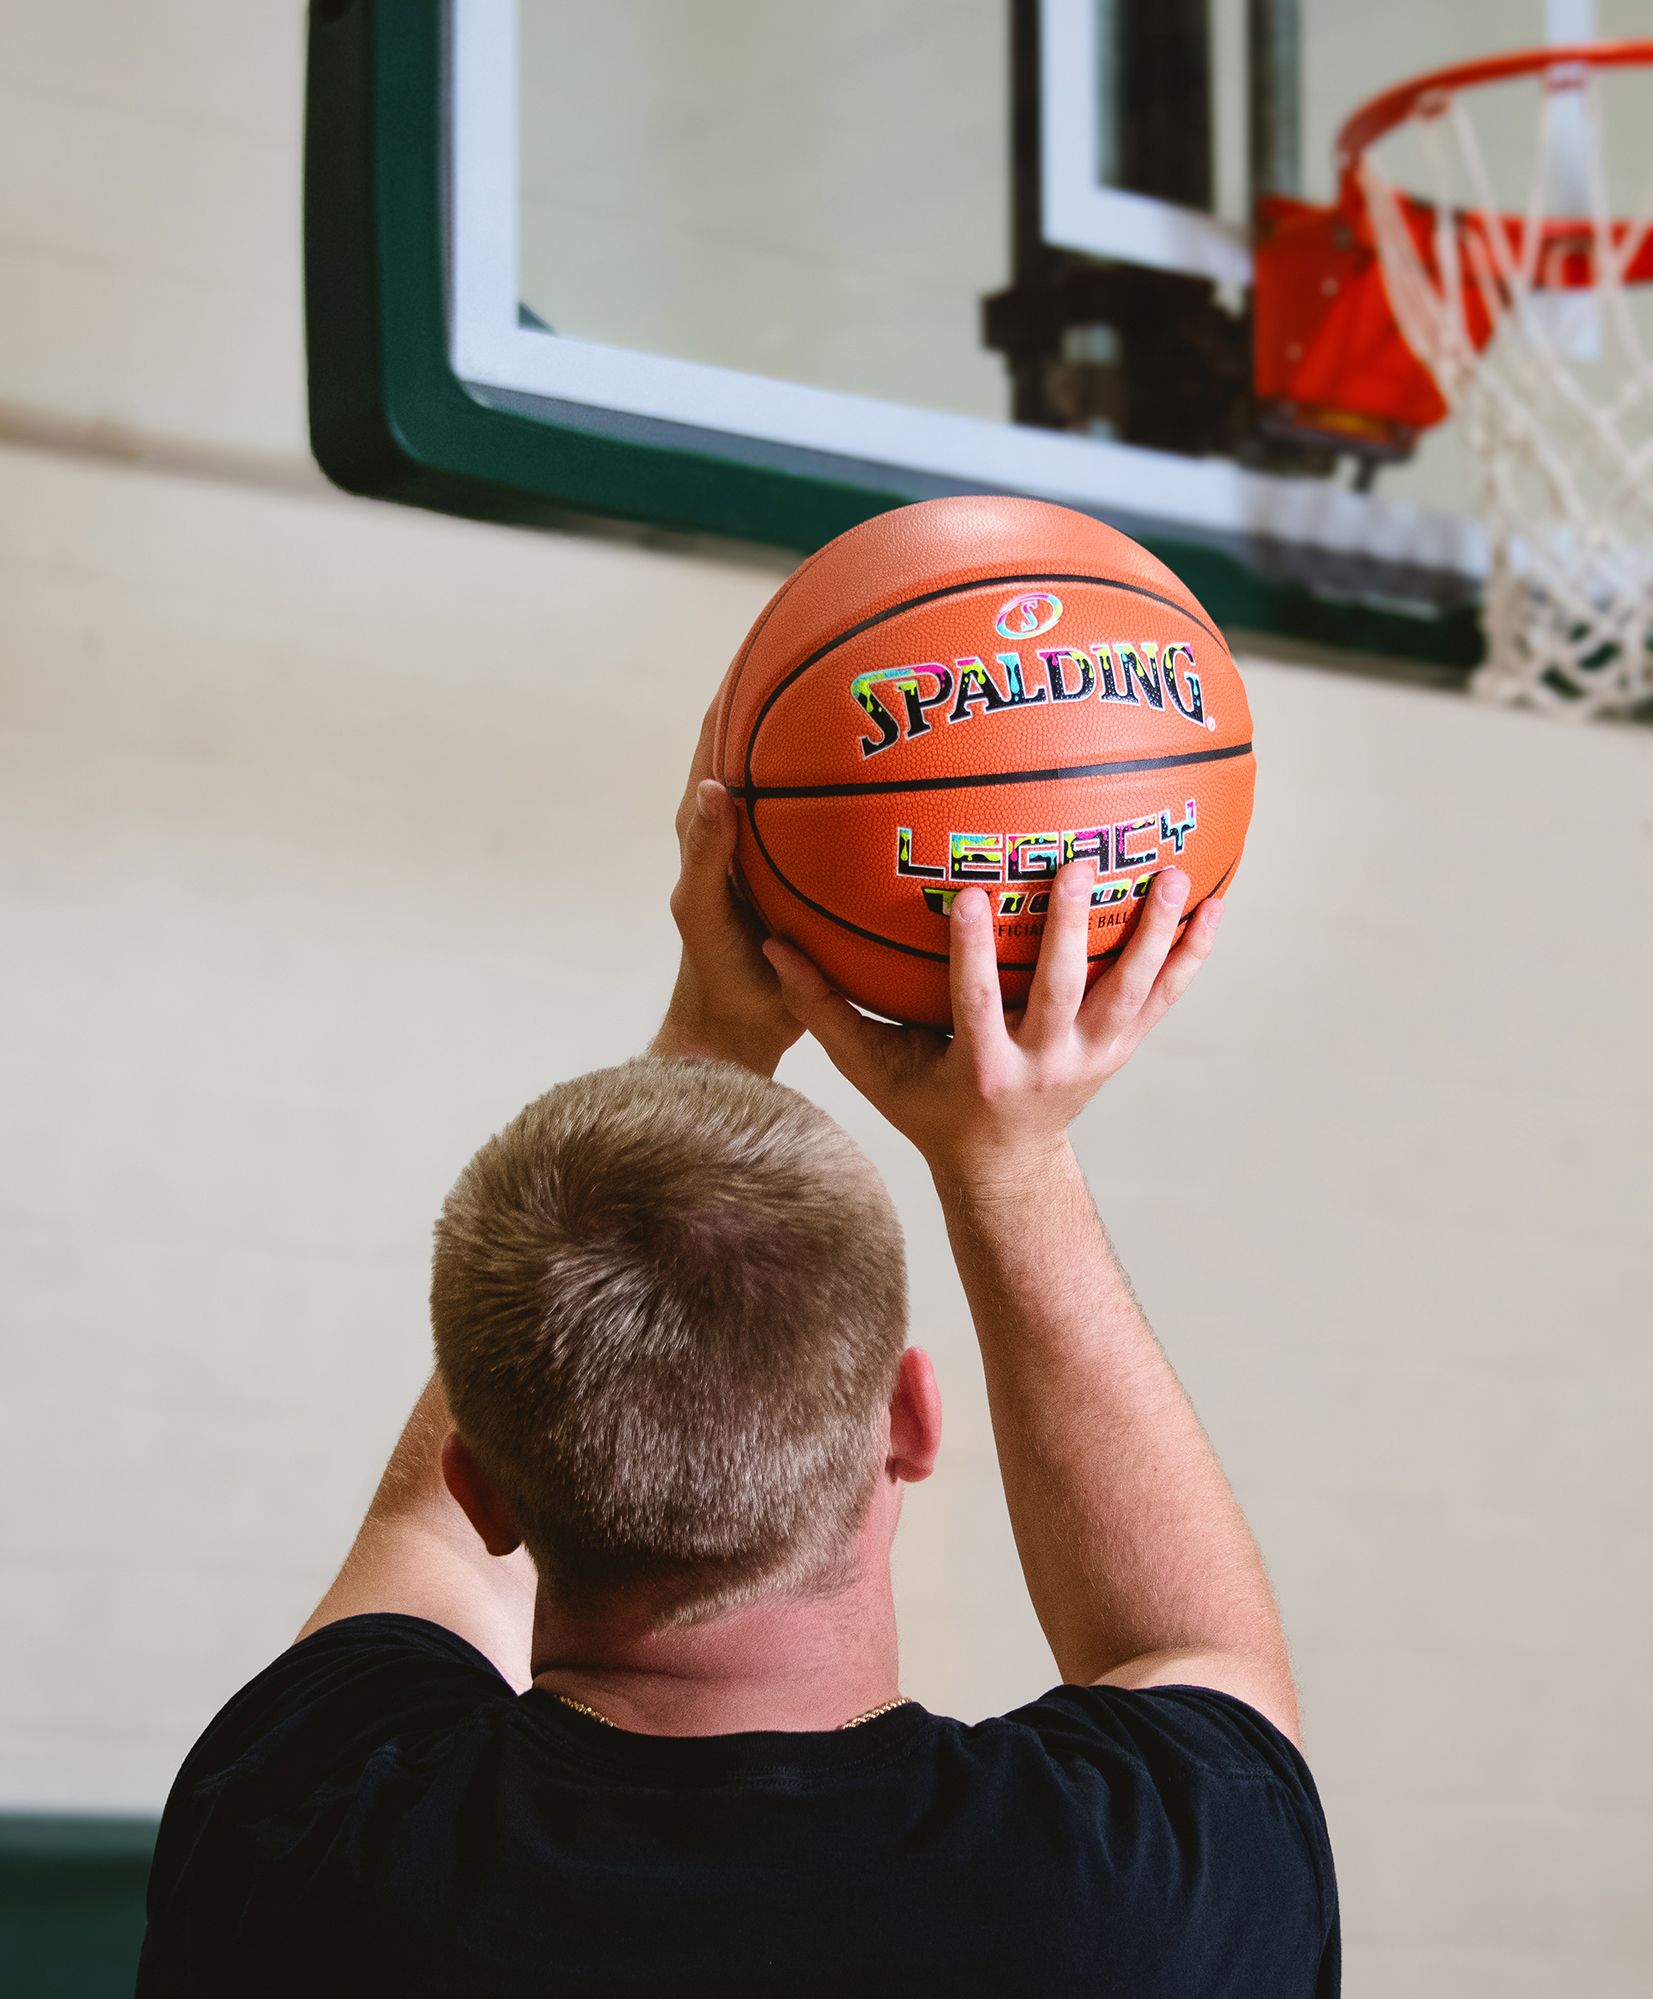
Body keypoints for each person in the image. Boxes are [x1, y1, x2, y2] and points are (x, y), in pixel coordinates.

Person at [137, 695, 1337, 1996]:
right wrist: (1009, 1158)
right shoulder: (1129, 1899)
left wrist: (714, 1034)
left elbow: (421, 1554)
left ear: (483, 1483)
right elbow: (1200, 1654)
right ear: (910, 1424)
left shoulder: (304, 1833)